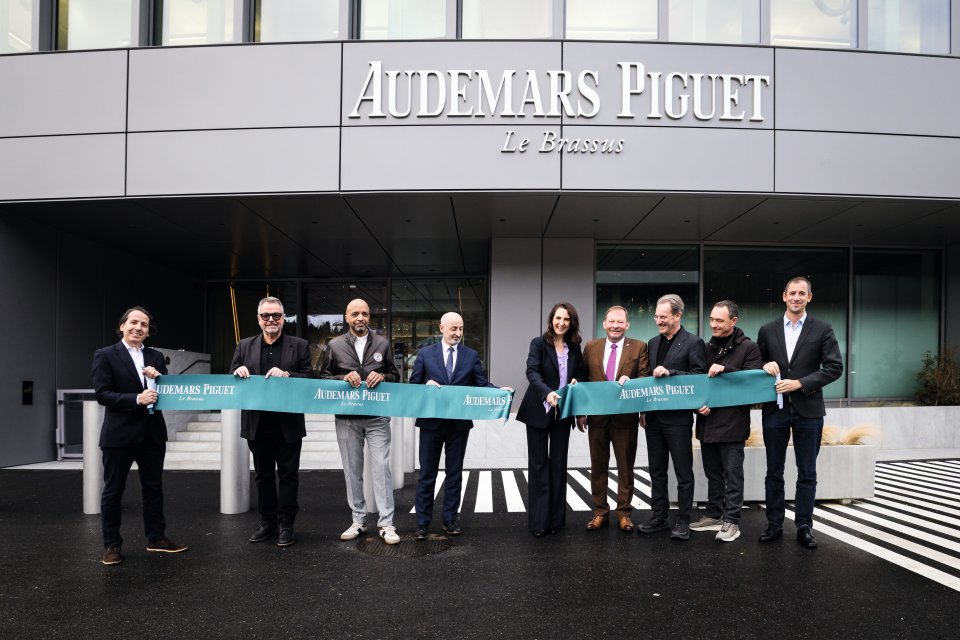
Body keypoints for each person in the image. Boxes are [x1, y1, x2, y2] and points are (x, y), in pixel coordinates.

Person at [92, 307, 187, 565]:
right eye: (133, 322)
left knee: (153, 488)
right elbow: (102, 394)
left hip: (151, 434)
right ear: (122, 326)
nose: (138, 327)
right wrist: (137, 398)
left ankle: (156, 538)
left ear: (148, 331)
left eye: (144, 324)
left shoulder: (155, 356)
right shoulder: (105, 355)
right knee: (113, 491)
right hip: (119, 436)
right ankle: (112, 545)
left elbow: (166, 393)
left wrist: (159, 379)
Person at [757, 276, 843, 549]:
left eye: (801, 293)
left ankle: (804, 526)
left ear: (809, 297)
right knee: (774, 471)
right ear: (784, 296)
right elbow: (756, 362)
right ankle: (774, 524)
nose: (796, 297)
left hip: (809, 410)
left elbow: (834, 367)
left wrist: (800, 384)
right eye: (792, 293)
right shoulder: (767, 330)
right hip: (775, 409)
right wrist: (764, 365)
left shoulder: (823, 329)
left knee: (807, 471)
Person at [409, 312, 510, 540]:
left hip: (458, 425)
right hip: (431, 423)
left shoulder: (470, 356)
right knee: (427, 474)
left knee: (454, 474)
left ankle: (450, 520)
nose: (458, 333)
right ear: (441, 328)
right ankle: (422, 524)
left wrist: (499, 392)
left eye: (461, 329)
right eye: (453, 328)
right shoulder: (425, 354)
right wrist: (425, 385)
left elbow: (481, 384)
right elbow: (414, 385)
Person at [230, 296, 313, 547]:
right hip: (257, 424)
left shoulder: (299, 345)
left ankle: (286, 523)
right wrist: (237, 372)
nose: (271, 320)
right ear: (258, 319)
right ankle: (267, 522)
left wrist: (288, 375)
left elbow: (310, 378)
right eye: (266, 316)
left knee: (288, 476)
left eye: (276, 315)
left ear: (283, 318)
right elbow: (232, 378)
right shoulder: (244, 346)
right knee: (263, 476)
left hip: (288, 424)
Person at [320, 298, 402, 545]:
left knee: (381, 469)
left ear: (369, 317)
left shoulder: (382, 343)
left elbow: (395, 375)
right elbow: (323, 377)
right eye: (355, 314)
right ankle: (359, 521)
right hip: (347, 417)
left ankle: (386, 524)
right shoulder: (334, 345)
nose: (360, 318)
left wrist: (383, 376)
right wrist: (343, 378)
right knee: (352, 471)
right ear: (347, 317)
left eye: (364, 314)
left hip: (377, 416)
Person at [691, 300, 762, 543]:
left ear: (733, 321)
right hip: (706, 423)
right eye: (711, 319)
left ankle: (732, 521)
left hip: (733, 426)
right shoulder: (706, 347)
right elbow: (698, 381)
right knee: (713, 474)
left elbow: (752, 382)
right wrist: (697, 405)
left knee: (733, 476)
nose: (713, 324)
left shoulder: (749, 348)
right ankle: (714, 515)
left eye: (719, 320)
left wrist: (726, 368)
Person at [516, 303, 588, 537]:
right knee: (538, 466)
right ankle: (539, 522)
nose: (561, 323)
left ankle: (556, 521)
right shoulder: (538, 343)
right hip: (539, 409)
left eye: (566, 319)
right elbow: (532, 372)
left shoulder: (574, 347)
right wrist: (547, 393)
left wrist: (577, 381)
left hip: (562, 412)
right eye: (558, 318)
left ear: (571, 322)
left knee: (558, 465)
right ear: (551, 319)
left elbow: (582, 373)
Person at [639, 294, 707, 541]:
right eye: (656, 317)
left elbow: (699, 376)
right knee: (656, 470)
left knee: (683, 472)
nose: (659, 321)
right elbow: (647, 379)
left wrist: (672, 372)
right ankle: (659, 516)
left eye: (664, 317)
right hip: (653, 418)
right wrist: (643, 410)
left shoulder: (694, 342)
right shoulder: (652, 343)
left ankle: (683, 521)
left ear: (678, 316)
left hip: (678, 419)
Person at [580, 306, 649, 533]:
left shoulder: (639, 347)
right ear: (604, 324)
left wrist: (635, 389)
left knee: (625, 468)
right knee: (598, 467)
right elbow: (582, 380)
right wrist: (581, 412)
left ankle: (624, 514)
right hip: (597, 418)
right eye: (611, 321)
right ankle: (600, 512)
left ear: (627, 325)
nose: (615, 326)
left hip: (625, 419)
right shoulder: (591, 347)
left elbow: (645, 378)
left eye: (620, 322)